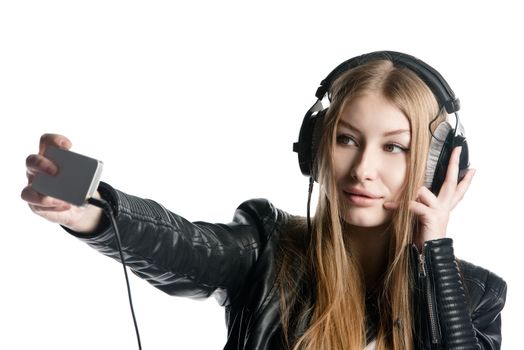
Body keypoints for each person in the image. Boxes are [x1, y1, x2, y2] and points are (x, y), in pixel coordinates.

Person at [22, 51, 506, 349]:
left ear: (437, 166)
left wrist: (434, 252)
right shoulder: (267, 250)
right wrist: (88, 211)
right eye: (346, 139)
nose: (362, 169)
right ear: (316, 146)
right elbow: (181, 243)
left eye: (394, 147)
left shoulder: (477, 295)